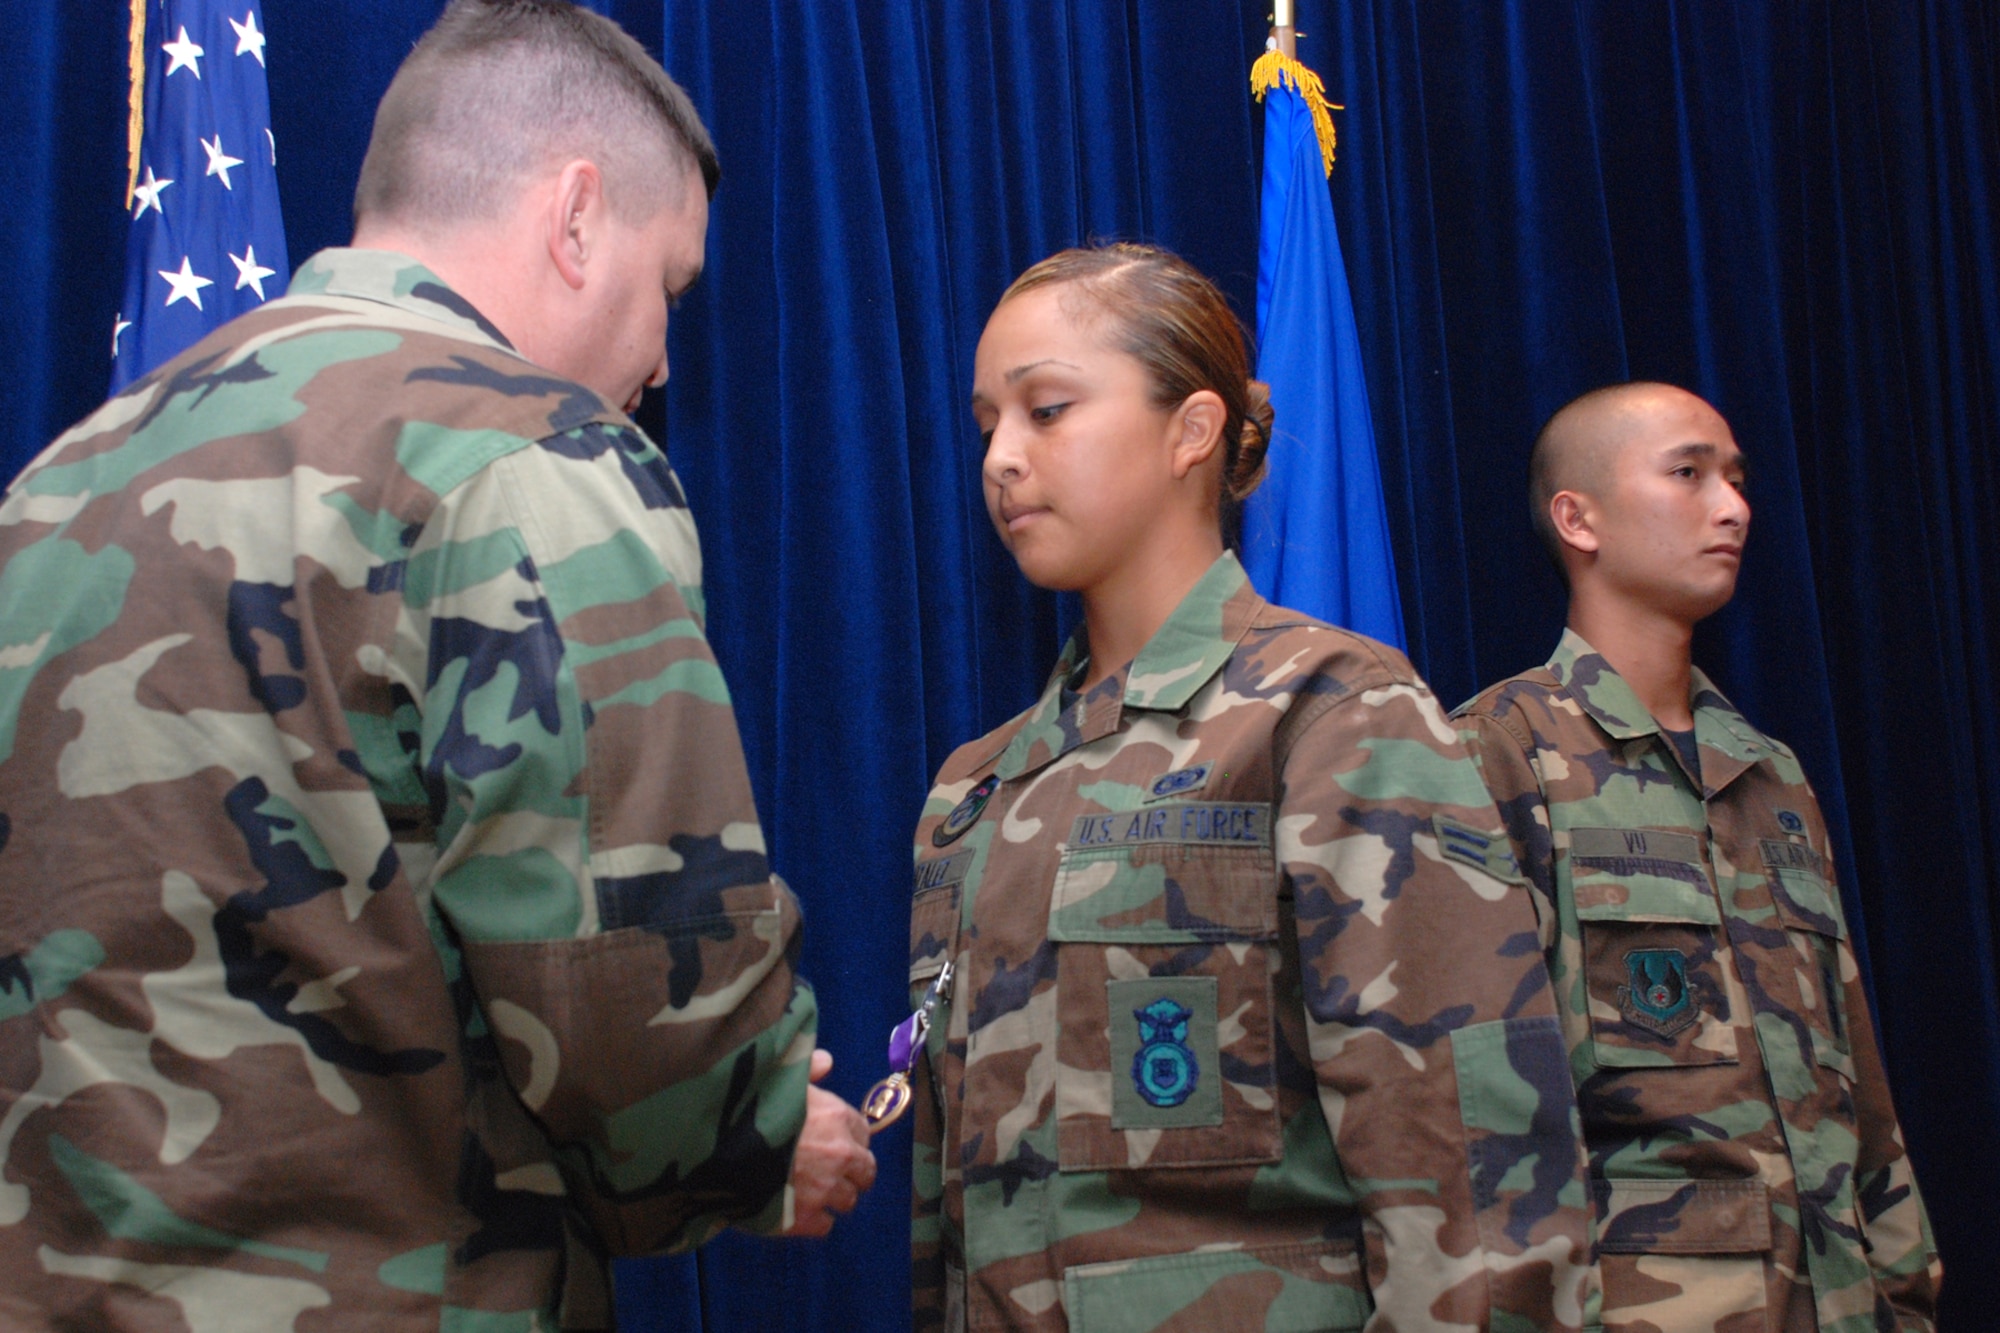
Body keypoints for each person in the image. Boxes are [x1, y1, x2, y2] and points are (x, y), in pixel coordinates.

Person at [0, 2, 874, 1328]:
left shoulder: (48, 495)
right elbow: (628, 990)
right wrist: (755, 1138)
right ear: (576, 219)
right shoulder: (524, 457)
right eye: (668, 287)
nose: (660, 359)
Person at [902, 243, 1593, 1332]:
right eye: (986, 420)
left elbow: (1470, 1174)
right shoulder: (976, 790)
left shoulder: (1328, 713)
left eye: (1045, 410)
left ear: (1191, 429)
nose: (999, 456)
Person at [1452, 382, 1940, 1331]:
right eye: (1689, 473)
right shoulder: (1498, 751)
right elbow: (1486, 1099)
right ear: (1577, 519)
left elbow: (1857, 1076)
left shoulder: (1772, 774)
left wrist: (1903, 1278)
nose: (1734, 505)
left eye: (1736, 477)